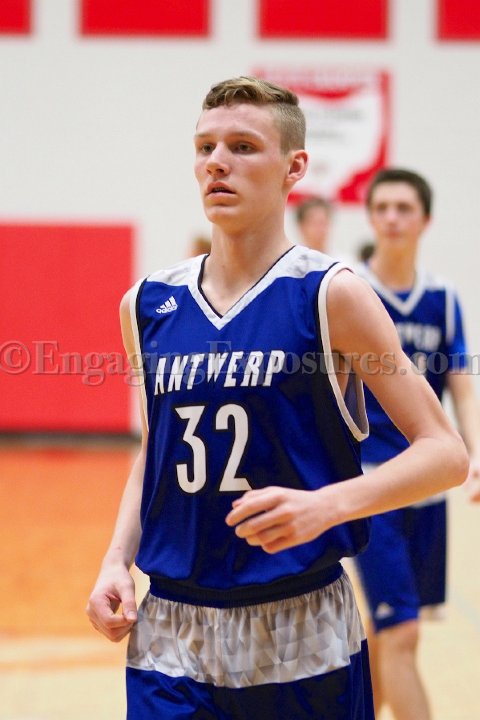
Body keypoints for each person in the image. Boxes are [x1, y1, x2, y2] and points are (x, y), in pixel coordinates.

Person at [86, 78, 468, 720]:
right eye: (205, 147)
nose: (217, 162)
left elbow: (446, 453)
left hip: (301, 624)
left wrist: (328, 505)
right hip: (172, 630)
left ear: (294, 168)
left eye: (242, 146)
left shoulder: (331, 294)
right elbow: (155, 450)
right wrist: (115, 560)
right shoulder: (146, 303)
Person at [354, 167, 480, 720]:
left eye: (403, 208)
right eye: (381, 207)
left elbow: (462, 387)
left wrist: (475, 453)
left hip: (427, 486)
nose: (391, 218)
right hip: (371, 483)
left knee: (389, 631)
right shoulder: (349, 289)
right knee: (401, 631)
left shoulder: (443, 299)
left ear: (425, 220)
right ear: (369, 217)